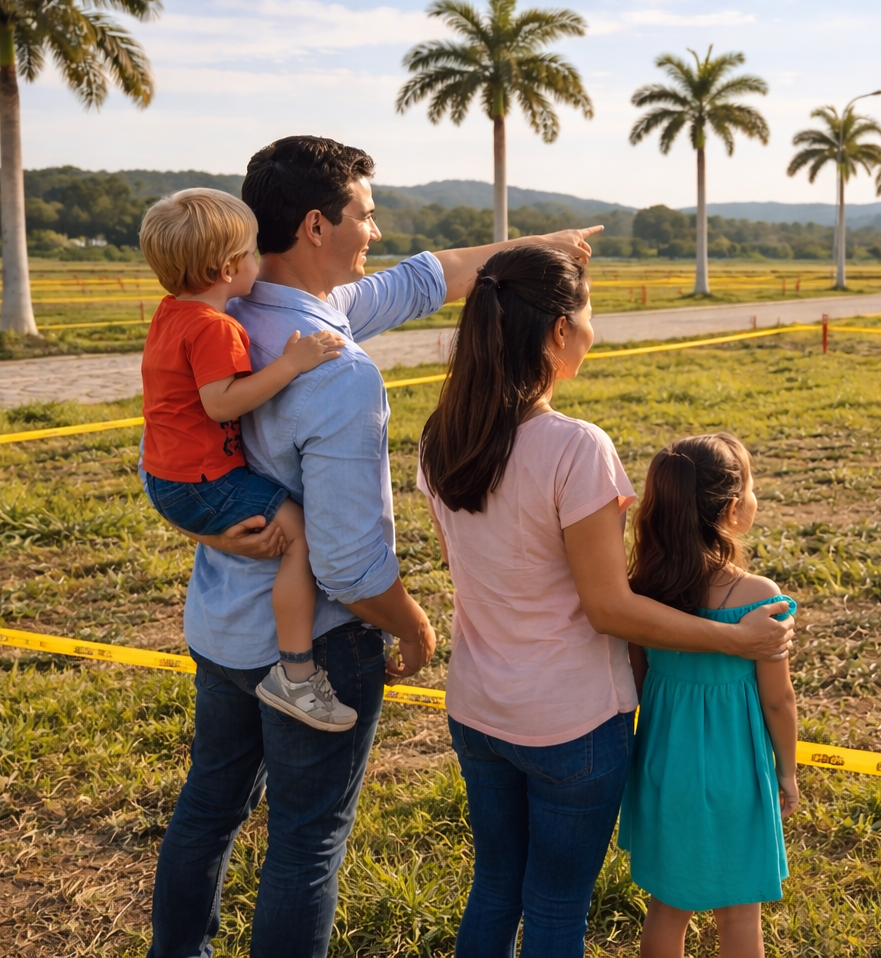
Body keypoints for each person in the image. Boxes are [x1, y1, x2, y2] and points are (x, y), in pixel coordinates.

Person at [145, 135, 600, 958]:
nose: (376, 232)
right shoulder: (337, 366)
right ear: (318, 225)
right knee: (305, 841)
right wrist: (415, 624)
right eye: (367, 214)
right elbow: (350, 567)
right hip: (315, 645)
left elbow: (428, 275)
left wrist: (533, 249)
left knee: (208, 809)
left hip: (221, 626)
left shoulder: (231, 313)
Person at [415, 243, 795, 958]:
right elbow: (608, 609)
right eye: (589, 317)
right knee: (557, 903)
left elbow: (473, 574)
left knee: (494, 885)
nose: (593, 332)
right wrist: (733, 640)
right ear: (558, 332)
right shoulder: (575, 447)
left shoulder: (442, 440)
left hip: (476, 705)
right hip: (570, 722)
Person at [138, 188, 357, 732]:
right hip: (202, 483)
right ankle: (297, 672)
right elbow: (221, 403)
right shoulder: (216, 326)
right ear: (227, 267)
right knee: (302, 537)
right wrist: (293, 363)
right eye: (253, 252)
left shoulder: (171, 314)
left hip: (167, 478)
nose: (260, 262)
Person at [618, 433, 799, 958]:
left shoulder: (642, 591)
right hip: (735, 773)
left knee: (666, 906)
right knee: (740, 910)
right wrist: (786, 772)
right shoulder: (759, 598)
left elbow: (637, 678)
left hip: (662, 766)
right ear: (733, 507)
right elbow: (778, 700)